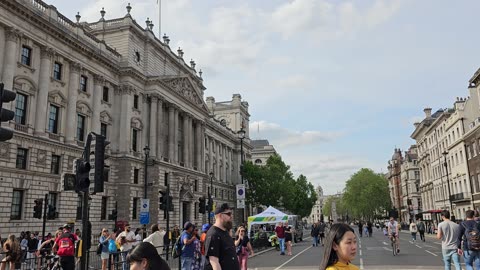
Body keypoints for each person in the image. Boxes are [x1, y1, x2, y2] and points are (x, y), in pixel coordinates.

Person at [204, 203, 240, 270]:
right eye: (228, 214)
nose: (231, 216)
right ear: (220, 215)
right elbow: (214, 262)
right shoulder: (213, 234)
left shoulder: (225, 232)